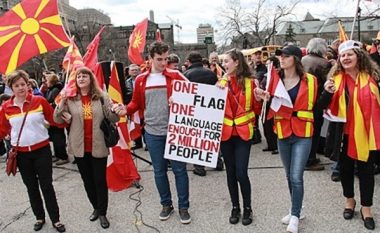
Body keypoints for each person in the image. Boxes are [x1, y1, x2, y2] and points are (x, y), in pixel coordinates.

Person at [113, 41, 191, 224]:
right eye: (159, 59)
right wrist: (125, 110)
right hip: (152, 132)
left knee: (180, 171)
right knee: (159, 171)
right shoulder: (141, 80)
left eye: (166, 59)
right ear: (150, 59)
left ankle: (184, 207)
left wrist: (180, 98)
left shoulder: (176, 75)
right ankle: (166, 204)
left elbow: (195, 95)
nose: (164, 63)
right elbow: (136, 104)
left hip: (175, 131)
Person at [256, 45, 317, 233]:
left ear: (296, 59)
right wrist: (263, 97)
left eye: (286, 56)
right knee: (289, 175)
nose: (281, 59)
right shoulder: (274, 80)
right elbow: (271, 101)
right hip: (282, 132)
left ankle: (295, 215)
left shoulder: (311, 80)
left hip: (303, 132)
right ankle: (296, 209)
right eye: (280, 56)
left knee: (296, 176)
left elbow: (317, 105)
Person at [321, 40, 380, 230]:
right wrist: (327, 93)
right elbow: (319, 108)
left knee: (366, 171)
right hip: (343, 134)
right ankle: (349, 200)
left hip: (367, 134)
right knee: (345, 170)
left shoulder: (372, 79)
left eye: (350, 54)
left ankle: (366, 208)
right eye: (343, 55)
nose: (346, 58)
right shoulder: (335, 81)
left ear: (359, 56)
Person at [0, 70, 66, 232]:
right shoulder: (6, 107)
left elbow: (55, 121)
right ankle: (39, 217)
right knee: (31, 187)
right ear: (11, 88)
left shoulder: (39, 101)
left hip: (41, 151)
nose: (21, 88)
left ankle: (56, 219)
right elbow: (2, 130)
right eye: (16, 85)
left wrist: (64, 114)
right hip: (21, 154)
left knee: (47, 186)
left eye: (23, 84)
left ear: (28, 85)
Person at [54, 67, 119, 229]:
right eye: (79, 76)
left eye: (85, 76)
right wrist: (62, 100)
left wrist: (114, 109)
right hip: (79, 146)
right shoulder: (70, 98)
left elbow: (114, 118)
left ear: (91, 79)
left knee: (99, 180)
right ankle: (95, 208)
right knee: (87, 180)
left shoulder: (102, 97)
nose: (81, 78)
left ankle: (103, 212)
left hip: (99, 145)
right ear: (75, 80)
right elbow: (57, 119)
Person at [218, 49, 262, 226]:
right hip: (226, 134)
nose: (224, 64)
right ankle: (235, 207)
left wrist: (261, 100)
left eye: (227, 61)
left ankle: (248, 208)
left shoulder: (252, 83)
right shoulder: (220, 83)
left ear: (236, 62)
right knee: (230, 172)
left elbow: (257, 111)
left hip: (243, 134)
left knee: (241, 172)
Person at [183, 51, 223, 177]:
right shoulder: (211, 73)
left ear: (189, 62)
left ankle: (199, 167)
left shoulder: (186, 75)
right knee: (211, 137)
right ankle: (217, 162)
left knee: (197, 139)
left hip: (194, 111)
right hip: (210, 110)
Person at [302, 38, 332, 171]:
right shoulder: (324, 64)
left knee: (307, 131)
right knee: (315, 131)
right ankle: (310, 159)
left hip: (303, 100)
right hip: (317, 100)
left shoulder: (303, 60)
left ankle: (306, 157)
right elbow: (328, 81)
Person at [44, 74, 69, 165]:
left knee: (58, 138)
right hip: (52, 117)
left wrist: (49, 105)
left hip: (56, 117)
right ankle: (58, 155)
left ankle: (63, 156)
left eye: (47, 80)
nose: (45, 82)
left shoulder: (55, 90)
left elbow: (54, 103)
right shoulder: (51, 89)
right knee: (55, 137)